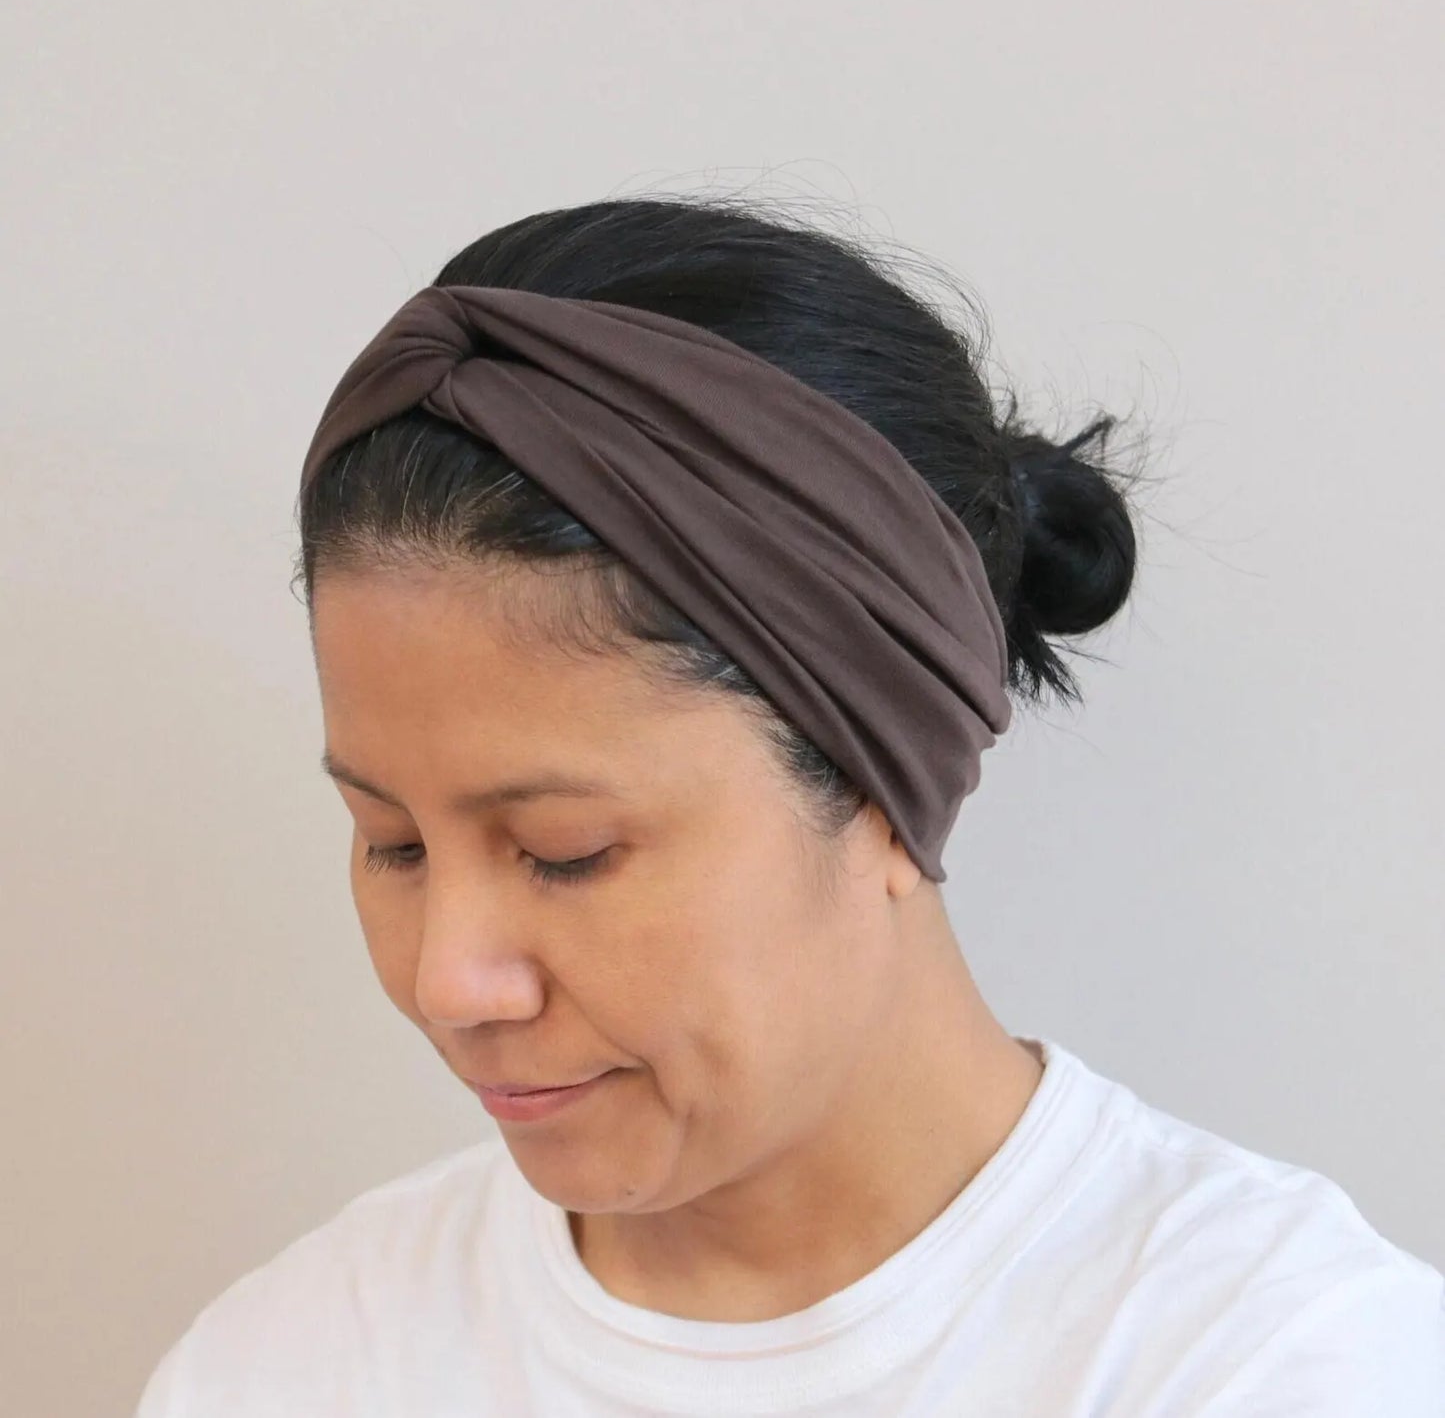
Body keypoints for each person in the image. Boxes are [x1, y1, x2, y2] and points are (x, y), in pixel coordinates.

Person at [135, 195, 1444, 1416]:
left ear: (882, 778)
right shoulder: (287, 1364)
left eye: (563, 852)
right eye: (394, 843)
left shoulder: (1272, 1364)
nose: (449, 980)